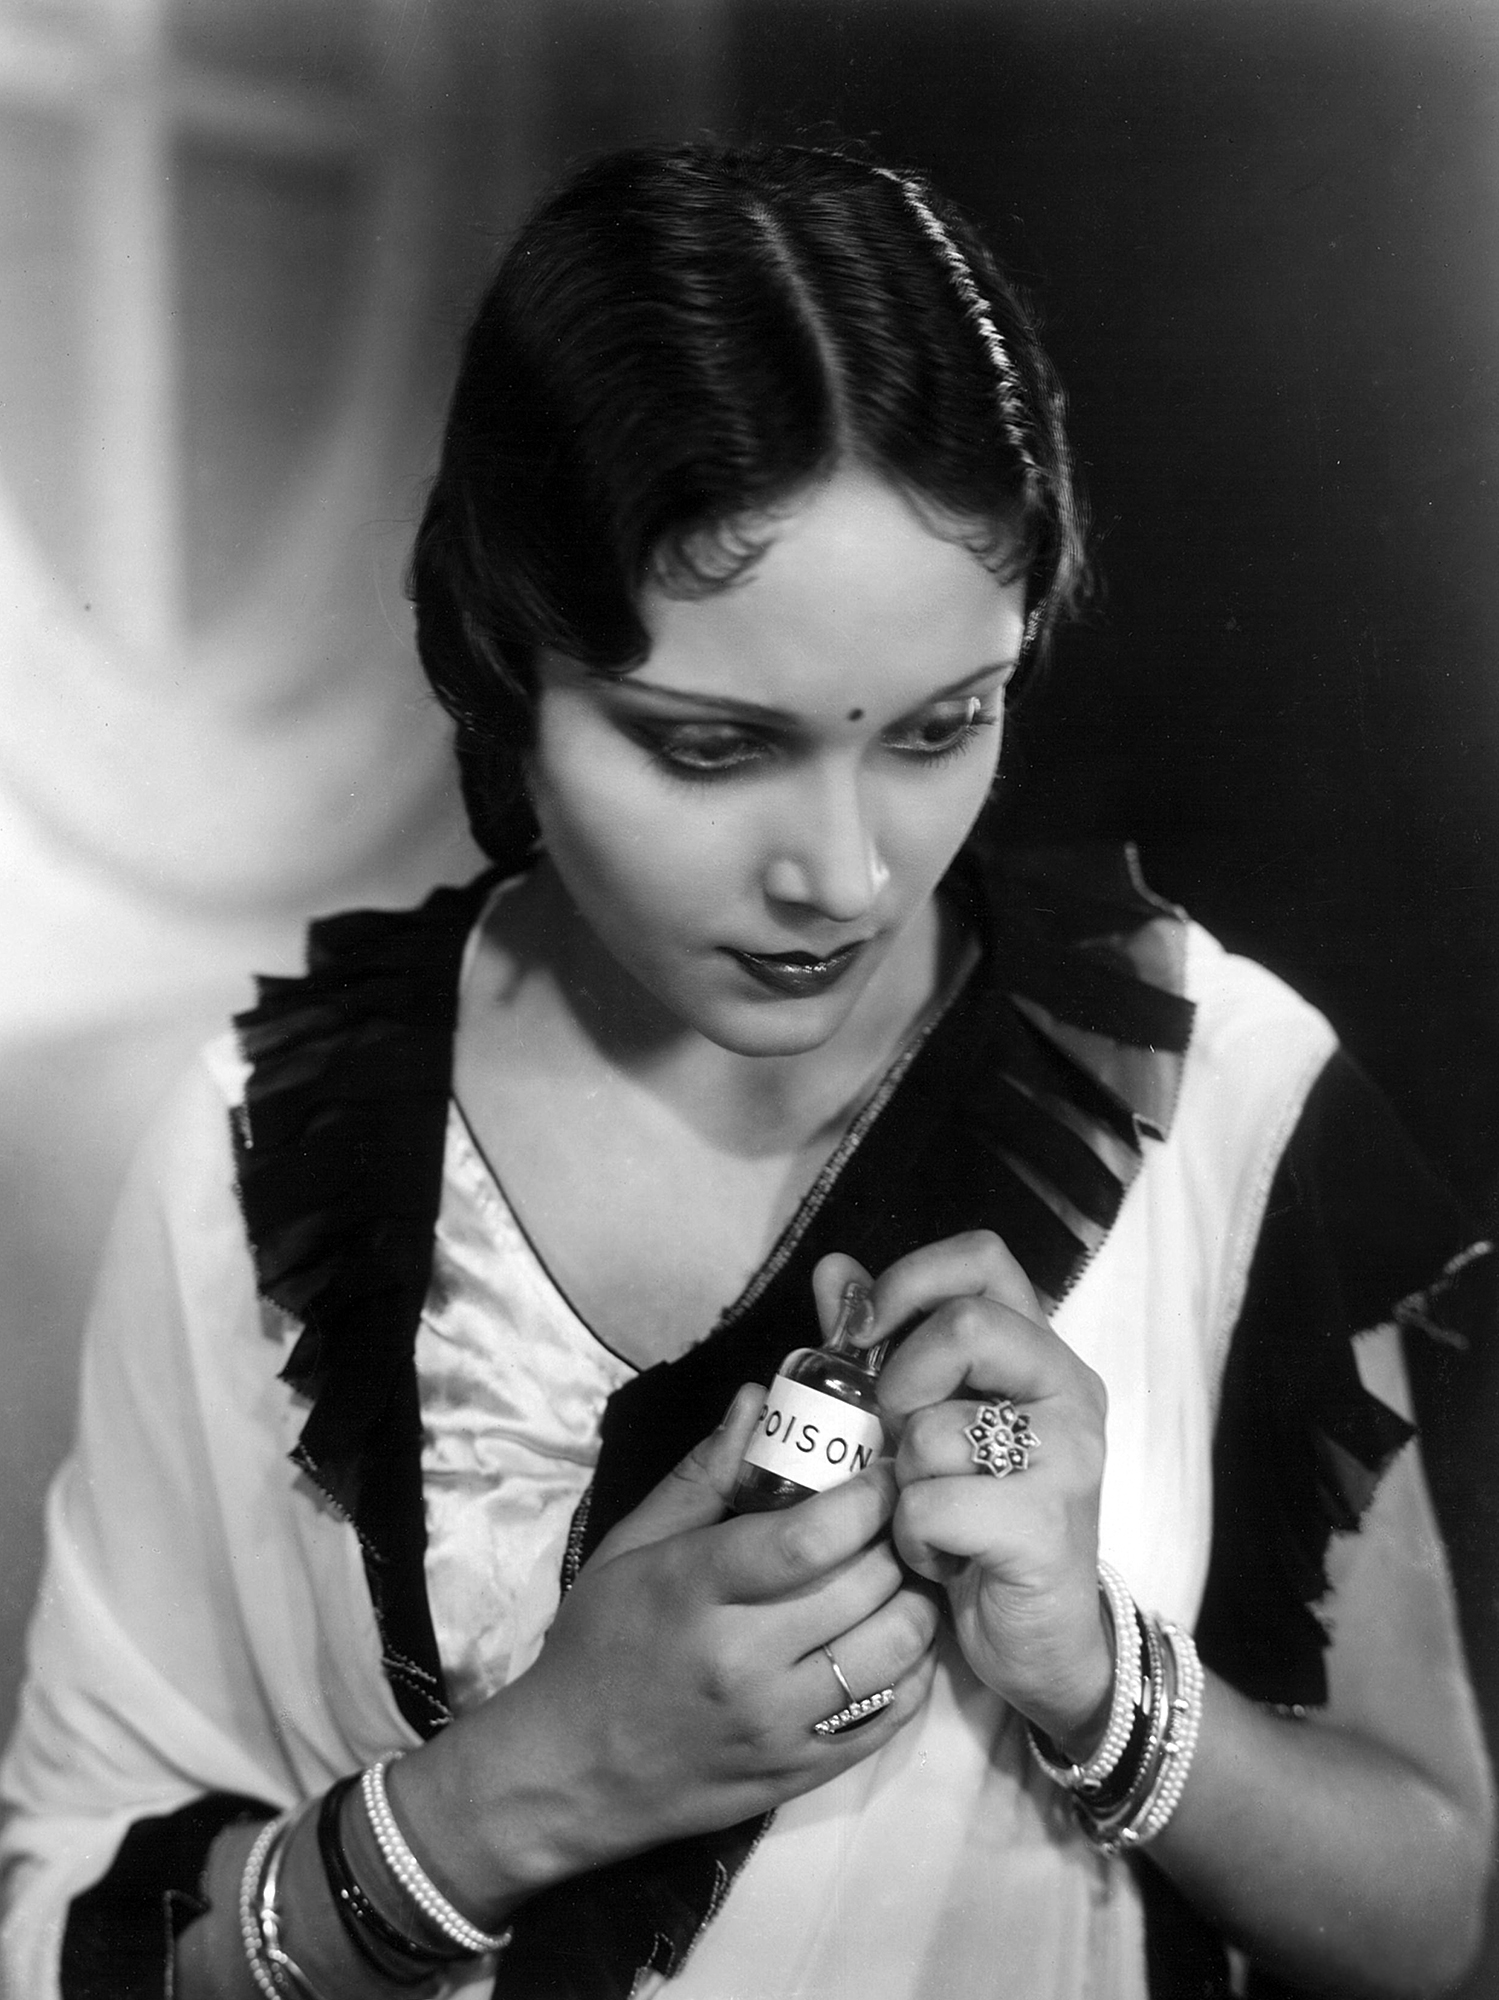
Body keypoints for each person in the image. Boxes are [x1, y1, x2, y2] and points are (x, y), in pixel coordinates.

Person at [0, 140, 1492, 2000]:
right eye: (711, 749)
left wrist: (1098, 1682)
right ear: (502, 663)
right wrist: (517, 1795)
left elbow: (1441, 1916)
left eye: (942, 728)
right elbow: (61, 1927)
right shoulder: (262, 1149)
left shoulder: (1219, 1098)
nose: (846, 877)